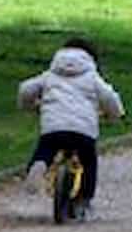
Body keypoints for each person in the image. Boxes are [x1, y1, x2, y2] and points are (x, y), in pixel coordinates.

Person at [17, 37, 125, 219]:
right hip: (83, 130)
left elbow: (25, 89)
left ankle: (38, 166)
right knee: (89, 161)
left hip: (53, 127)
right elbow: (110, 98)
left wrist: (30, 105)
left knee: (45, 149)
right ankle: (84, 198)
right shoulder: (91, 78)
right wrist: (115, 115)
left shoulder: (50, 76)